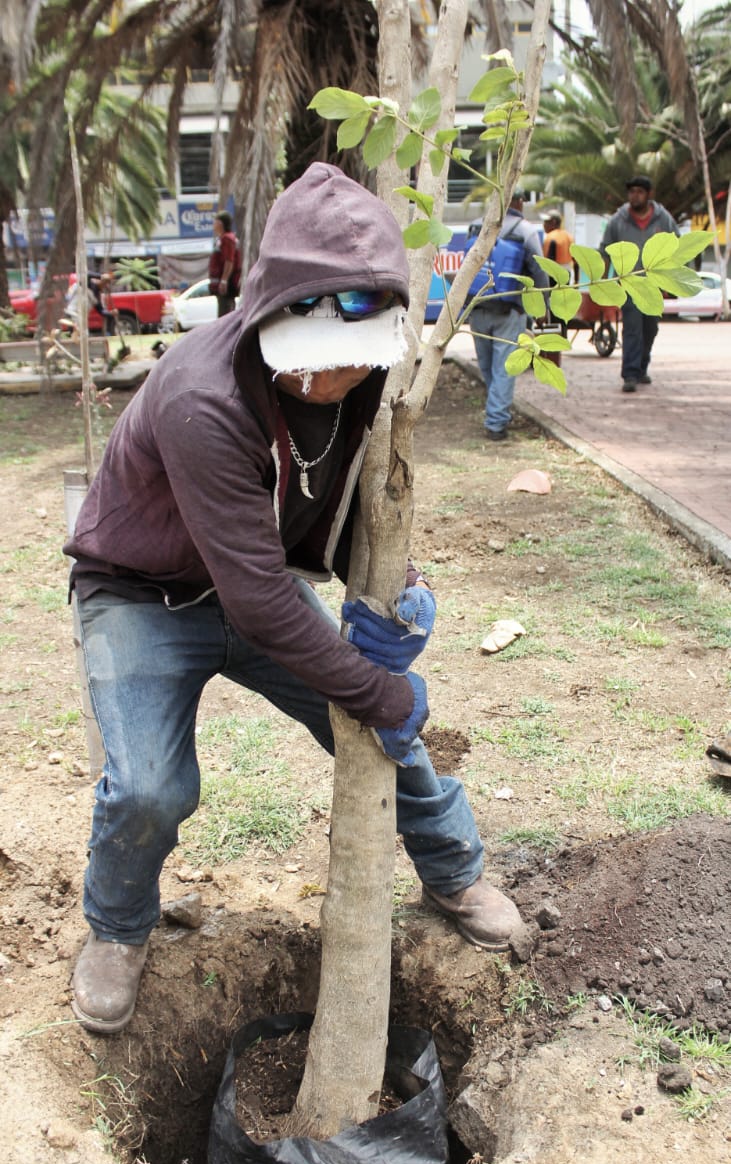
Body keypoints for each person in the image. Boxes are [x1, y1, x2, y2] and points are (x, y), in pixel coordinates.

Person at [64, 162, 524, 1036]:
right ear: (271, 312)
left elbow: (340, 499)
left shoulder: (369, 375)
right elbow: (262, 603)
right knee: (150, 789)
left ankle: (455, 870)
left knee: (385, 737)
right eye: (317, 358)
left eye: (356, 358)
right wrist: (377, 685)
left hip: (253, 587)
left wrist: (397, 585)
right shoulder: (204, 399)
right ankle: (117, 932)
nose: (333, 377)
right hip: (141, 598)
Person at [467, 190, 549, 441]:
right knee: (504, 369)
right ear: (520, 202)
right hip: (509, 311)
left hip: (478, 308)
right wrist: (542, 306)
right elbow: (540, 271)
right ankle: (496, 423)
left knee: (488, 367)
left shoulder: (476, 226)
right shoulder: (525, 231)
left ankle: (498, 413)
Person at [599, 176, 679, 393]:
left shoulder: (663, 220)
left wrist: (673, 283)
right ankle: (630, 374)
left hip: (654, 285)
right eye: (631, 191)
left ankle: (642, 367)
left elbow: (677, 248)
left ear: (649, 194)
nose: (635, 196)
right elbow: (605, 251)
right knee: (632, 329)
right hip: (629, 285)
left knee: (650, 329)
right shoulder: (618, 220)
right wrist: (604, 284)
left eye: (639, 192)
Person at [208, 209, 242, 317]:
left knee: (225, 314)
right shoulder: (223, 239)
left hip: (227, 286)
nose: (213, 224)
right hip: (223, 285)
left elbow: (229, 261)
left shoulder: (227, 239)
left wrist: (224, 281)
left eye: (215, 221)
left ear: (220, 223)